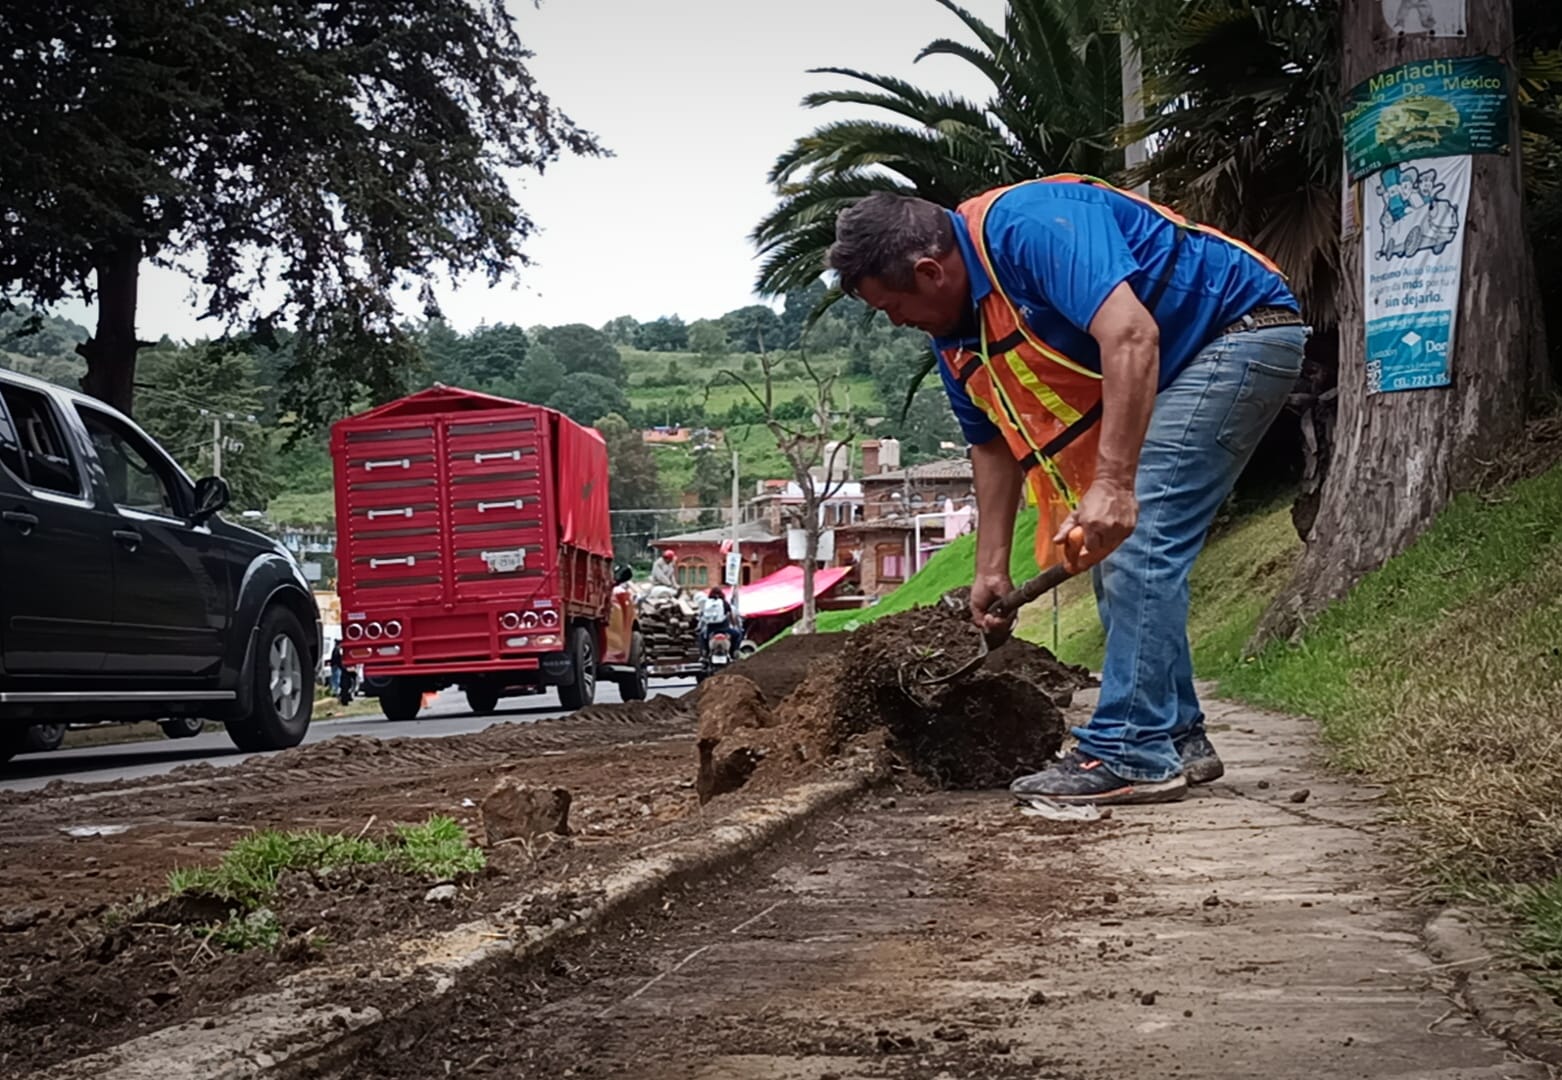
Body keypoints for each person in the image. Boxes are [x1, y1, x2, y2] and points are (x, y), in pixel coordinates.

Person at [829, 176, 1305, 806]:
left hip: (1237, 333)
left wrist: (1112, 486)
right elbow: (992, 444)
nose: (898, 324)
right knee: (1119, 548)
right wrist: (990, 569)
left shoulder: (1028, 227)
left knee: (1140, 535)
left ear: (929, 271)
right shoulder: (959, 336)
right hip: (1182, 364)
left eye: (892, 308)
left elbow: (1131, 335)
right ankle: (1176, 735)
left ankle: (1130, 750)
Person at [699, 586, 740, 654]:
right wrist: (734, 624)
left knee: (701, 636)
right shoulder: (724, 603)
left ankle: (704, 652)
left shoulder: (707, 603)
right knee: (737, 635)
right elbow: (731, 615)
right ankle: (734, 651)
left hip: (711, 630)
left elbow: (703, 616)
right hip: (725, 629)